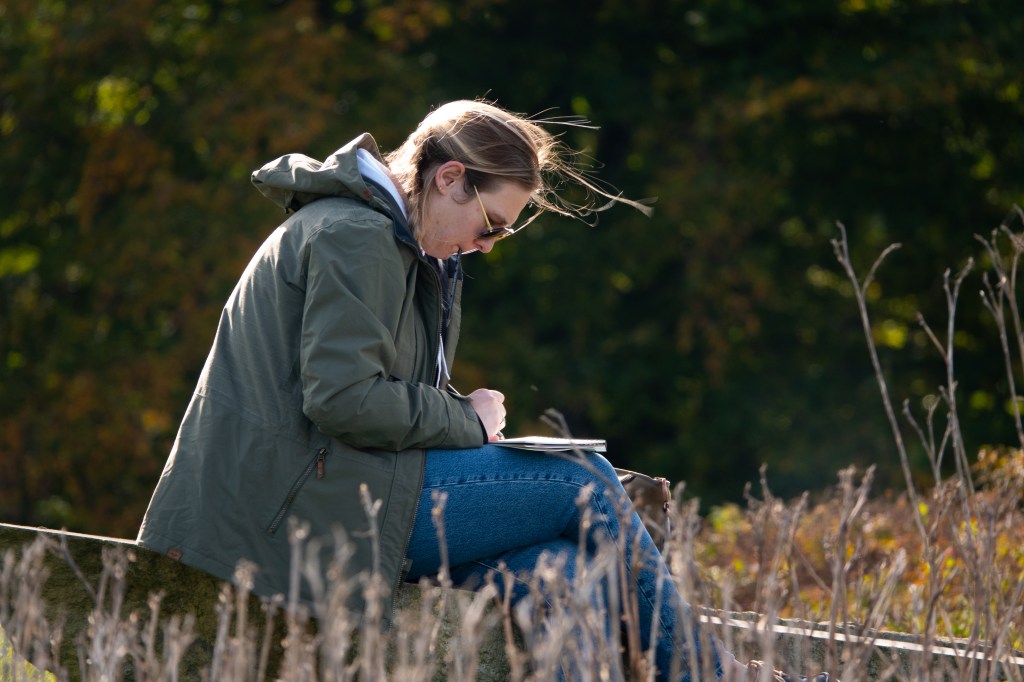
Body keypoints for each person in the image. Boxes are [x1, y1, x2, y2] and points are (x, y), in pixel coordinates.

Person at [137, 100, 830, 681]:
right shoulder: (356, 236)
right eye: (491, 224)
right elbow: (343, 400)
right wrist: (466, 419)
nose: (491, 244)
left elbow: (371, 397)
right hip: (291, 510)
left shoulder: (400, 246)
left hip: (337, 491)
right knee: (579, 478)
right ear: (450, 177)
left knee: (556, 570)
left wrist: (459, 419)